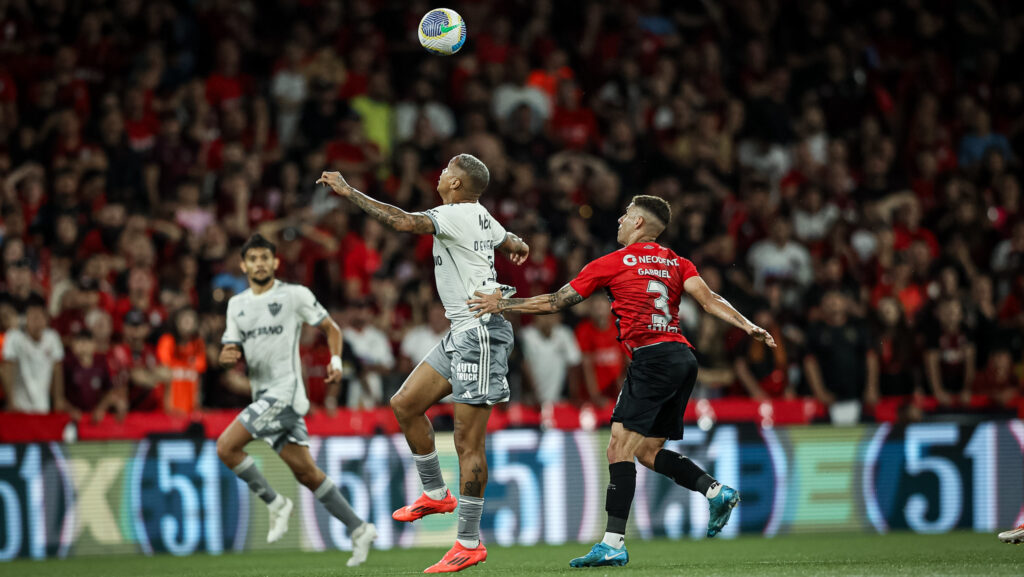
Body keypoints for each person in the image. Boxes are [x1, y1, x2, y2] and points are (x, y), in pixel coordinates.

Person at [468, 195, 775, 568]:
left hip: (652, 359)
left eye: (626, 214)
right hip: (682, 359)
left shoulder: (612, 263)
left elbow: (556, 302)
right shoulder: (677, 262)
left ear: (640, 224)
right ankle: (714, 490)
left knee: (617, 448)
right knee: (645, 451)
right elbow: (709, 300)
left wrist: (502, 305)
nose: (620, 218)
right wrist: (749, 325)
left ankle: (613, 542)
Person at [317, 153, 530, 574]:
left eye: (448, 169)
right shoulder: (480, 215)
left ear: (456, 185)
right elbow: (506, 238)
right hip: (460, 332)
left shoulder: (455, 215)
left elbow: (401, 221)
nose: (441, 172)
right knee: (405, 404)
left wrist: (350, 192)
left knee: (469, 444)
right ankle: (435, 493)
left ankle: (469, 542)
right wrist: (516, 243)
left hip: (481, 334)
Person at [215, 234, 377, 567]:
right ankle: (359, 528)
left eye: (265, 257)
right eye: (253, 259)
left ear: (275, 262)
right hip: (263, 395)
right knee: (307, 473)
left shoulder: (294, 295)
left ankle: (276, 504)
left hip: (285, 393)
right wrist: (227, 356)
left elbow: (331, 329)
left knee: (226, 447)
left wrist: (334, 362)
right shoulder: (237, 305)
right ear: (243, 265)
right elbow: (229, 349)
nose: (260, 263)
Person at [1, 294, 66, 414]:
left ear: (46, 320)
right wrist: (10, 401)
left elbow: (57, 370)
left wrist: (58, 399)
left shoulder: (52, 338)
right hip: (19, 406)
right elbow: (6, 369)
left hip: (42, 406)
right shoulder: (14, 338)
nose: (36, 321)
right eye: (33, 317)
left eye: (39, 317)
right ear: (25, 320)